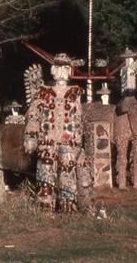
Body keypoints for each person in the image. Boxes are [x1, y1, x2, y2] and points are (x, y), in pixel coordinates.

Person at [24, 53, 92, 212]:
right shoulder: (43, 92)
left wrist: (79, 142)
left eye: (66, 67)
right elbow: (33, 115)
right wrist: (31, 135)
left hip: (69, 142)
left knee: (68, 173)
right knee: (45, 173)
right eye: (59, 66)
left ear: (70, 70)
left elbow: (78, 118)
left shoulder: (75, 92)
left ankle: (68, 207)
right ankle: (45, 206)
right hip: (46, 141)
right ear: (53, 68)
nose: (62, 71)